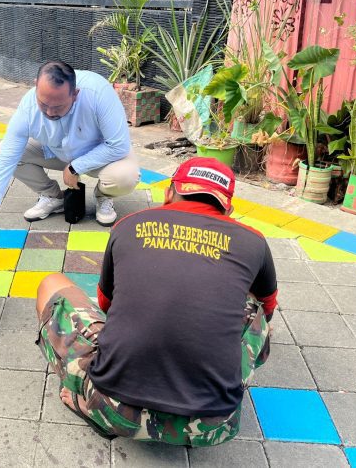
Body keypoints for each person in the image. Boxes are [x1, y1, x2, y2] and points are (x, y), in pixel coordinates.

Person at [35, 157, 278, 446]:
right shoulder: (253, 240)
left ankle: (88, 405)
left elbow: (107, 304)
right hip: (213, 428)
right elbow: (269, 308)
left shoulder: (129, 225)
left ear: (169, 193)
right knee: (254, 308)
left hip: (113, 409)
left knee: (51, 284)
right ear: (228, 208)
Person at [0, 60, 140, 239]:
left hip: (100, 153)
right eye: (43, 104)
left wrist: (76, 167)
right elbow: (7, 157)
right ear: (36, 86)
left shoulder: (98, 92)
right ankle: (54, 197)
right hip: (56, 151)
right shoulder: (28, 107)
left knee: (126, 177)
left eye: (58, 107)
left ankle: (103, 195)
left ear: (75, 95)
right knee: (2, 151)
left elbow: (118, 145)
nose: (50, 113)